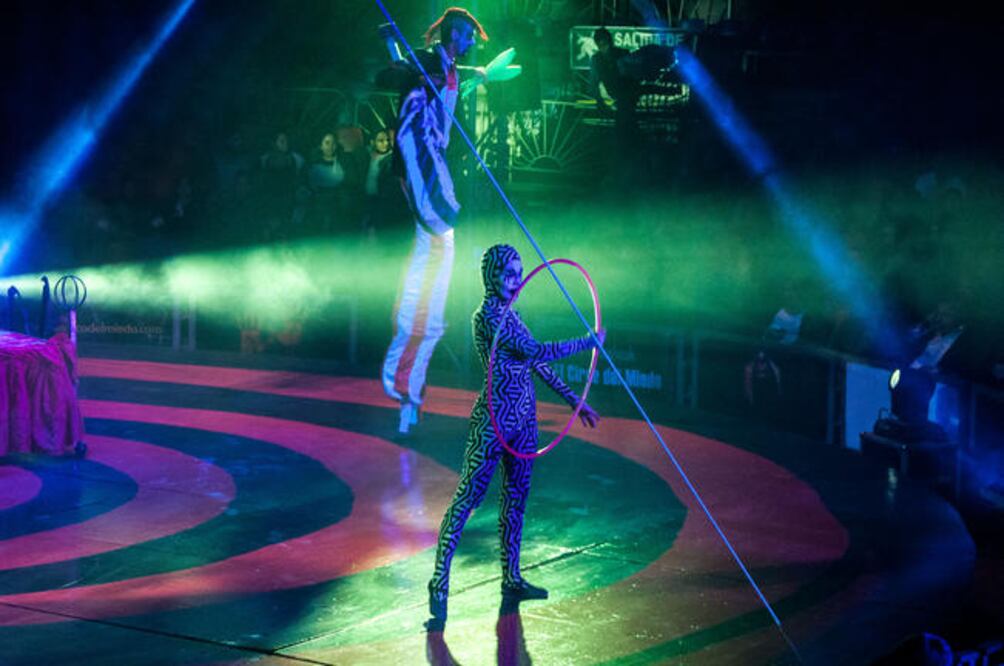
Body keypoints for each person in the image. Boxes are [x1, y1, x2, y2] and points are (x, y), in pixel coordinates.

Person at [426, 244, 603, 627]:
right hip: (492, 424)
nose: (516, 280)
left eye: (519, 272)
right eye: (508, 273)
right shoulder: (487, 317)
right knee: (468, 499)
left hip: (523, 423)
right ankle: (439, 577)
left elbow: (536, 363)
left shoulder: (513, 315)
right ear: (492, 276)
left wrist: (575, 401)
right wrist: (585, 343)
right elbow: (537, 349)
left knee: (516, 501)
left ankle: (511, 576)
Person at [381, 7, 490, 433]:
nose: (470, 42)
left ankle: (409, 399)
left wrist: (483, 74)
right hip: (419, 166)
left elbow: (458, 77)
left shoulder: (449, 69)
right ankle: (404, 386)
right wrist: (391, 44)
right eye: (465, 36)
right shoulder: (427, 62)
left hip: (433, 168)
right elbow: (393, 75)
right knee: (438, 246)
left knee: (432, 292)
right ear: (451, 34)